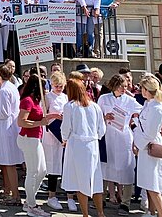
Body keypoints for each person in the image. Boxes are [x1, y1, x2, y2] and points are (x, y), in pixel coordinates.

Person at [96, 73, 141, 215]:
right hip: (107, 136)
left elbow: (141, 112)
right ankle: (101, 198)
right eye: (122, 86)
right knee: (104, 168)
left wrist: (133, 119)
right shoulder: (104, 98)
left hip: (124, 138)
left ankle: (125, 202)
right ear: (114, 85)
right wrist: (104, 117)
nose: (124, 89)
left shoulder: (130, 100)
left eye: (126, 86)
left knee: (126, 169)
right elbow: (96, 116)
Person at [61, 78, 106, 217]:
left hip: (77, 145)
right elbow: (102, 129)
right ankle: (100, 212)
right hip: (92, 145)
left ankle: (85, 214)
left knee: (81, 181)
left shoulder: (70, 106)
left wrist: (65, 139)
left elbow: (66, 127)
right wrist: (94, 137)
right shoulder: (95, 106)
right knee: (95, 179)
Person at [17, 74, 60, 216]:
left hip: (35, 138)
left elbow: (39, 118)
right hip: (28, 138)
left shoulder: (35, 100)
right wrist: (39, 123)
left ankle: (30, 200)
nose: (46, 91)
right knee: (33, 172)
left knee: (42, 171)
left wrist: (50, 117)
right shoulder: (28, 101)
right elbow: (21, 122)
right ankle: (31, 205)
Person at [134, 75, 162, 217]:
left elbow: (150, 133)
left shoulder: (157, 108)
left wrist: (138, 144)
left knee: (153, 184)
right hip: (145, 145)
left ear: (146, 90)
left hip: (150, 146)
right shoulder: (149, 104)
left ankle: (161, 214)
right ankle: (151, 212)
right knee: (148, 183)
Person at [0, 63, 23, 206]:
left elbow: (3, 113)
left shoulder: (4, 90)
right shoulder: (9, 88)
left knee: (9, 164)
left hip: (6, 128)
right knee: (6, 162)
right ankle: (8, 190)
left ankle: (15, 195)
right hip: (9, 127)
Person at [43, 72, 75, 212]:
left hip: (65, 134)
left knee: (67, 165)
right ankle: (51, 196)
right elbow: (43, 115)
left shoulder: (66, 97)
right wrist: (56, 115)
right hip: (52, 133)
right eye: (56, 86)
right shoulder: (47, 97)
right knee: (53, 166)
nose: (59, 88)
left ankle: (70, 197)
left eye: (61, 86)